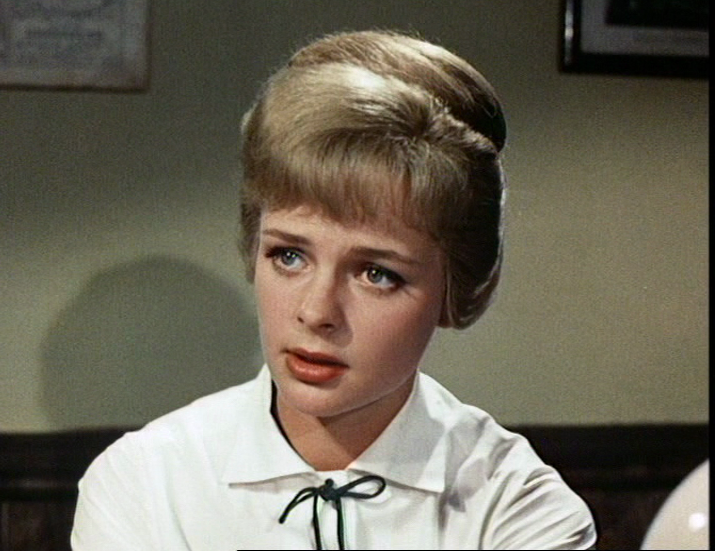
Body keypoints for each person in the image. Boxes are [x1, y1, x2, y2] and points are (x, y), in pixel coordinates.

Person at [71, 29, 597, 550]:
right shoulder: (145, 483)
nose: (317, 311)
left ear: (455, 288)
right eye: (290, 256)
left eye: (377, 273)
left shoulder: (519, 508)